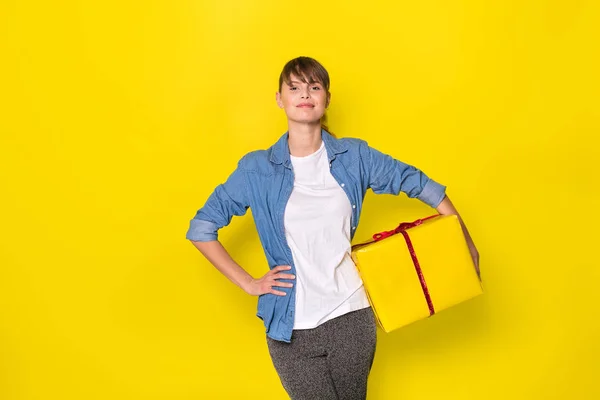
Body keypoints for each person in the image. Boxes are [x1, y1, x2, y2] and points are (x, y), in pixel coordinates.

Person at [185, 56, 480, 400]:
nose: (304, 94)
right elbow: (202, 227)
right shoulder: (256, 169)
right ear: (279, 99)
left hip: (351, 315)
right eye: (294, 88)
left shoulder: (354, 156)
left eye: (314, 86)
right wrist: (249, 283)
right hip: (289, 327)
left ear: (326, 99)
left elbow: (414, 181)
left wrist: (462, 236)